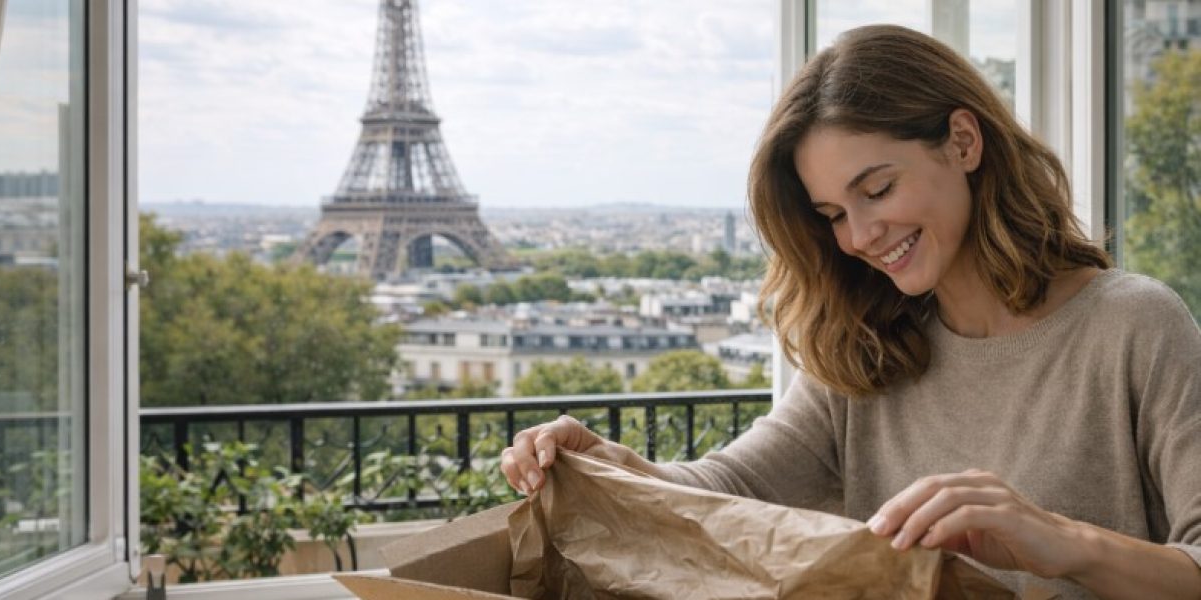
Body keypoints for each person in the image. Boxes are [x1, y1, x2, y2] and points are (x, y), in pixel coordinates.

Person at [499, 24, 1201, 599]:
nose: (860, 236)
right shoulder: (868, 346)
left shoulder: (1135, 327)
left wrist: (1063, 543)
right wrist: (612, 464)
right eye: (834, 213)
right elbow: (729, 487)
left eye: (878, 188)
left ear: (963, 141)